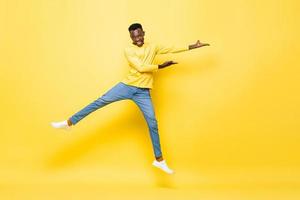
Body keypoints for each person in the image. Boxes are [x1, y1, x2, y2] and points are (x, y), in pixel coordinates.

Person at [51, 23, 209, 174]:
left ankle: (159, 160)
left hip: (143, 92)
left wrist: (192, 46)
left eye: (140, 35)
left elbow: (172, 49)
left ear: (143, 33)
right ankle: (69, 122)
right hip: (126, 86)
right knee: (99, 101)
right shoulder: (128, 50)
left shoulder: (153, 47)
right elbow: (141, 68)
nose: (138, 39)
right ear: (131, 38)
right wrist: (160, 66)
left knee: (152, 123)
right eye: (134, 37)